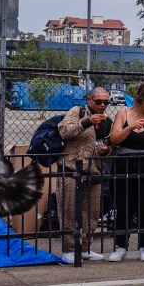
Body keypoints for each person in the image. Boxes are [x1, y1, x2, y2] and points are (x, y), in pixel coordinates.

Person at [107, 82, 144, 263]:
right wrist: (130, 127)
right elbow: (114, 139)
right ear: (139, 99)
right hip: (125, 163)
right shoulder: (123, 113)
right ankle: (120, 246)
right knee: (123, 205)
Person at [56, 87, 112, 263]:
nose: (102, 105)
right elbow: (64, 131)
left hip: (94, 170)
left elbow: (111, 146)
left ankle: (85, 247)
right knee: (70, 211)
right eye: (99, 102)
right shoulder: (77, 112)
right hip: (71, 169)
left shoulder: (107, 121)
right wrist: (86, 122)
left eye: (106, 102)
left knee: (92, 213)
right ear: (89, 100)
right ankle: (69, 250)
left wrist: (106, 151)